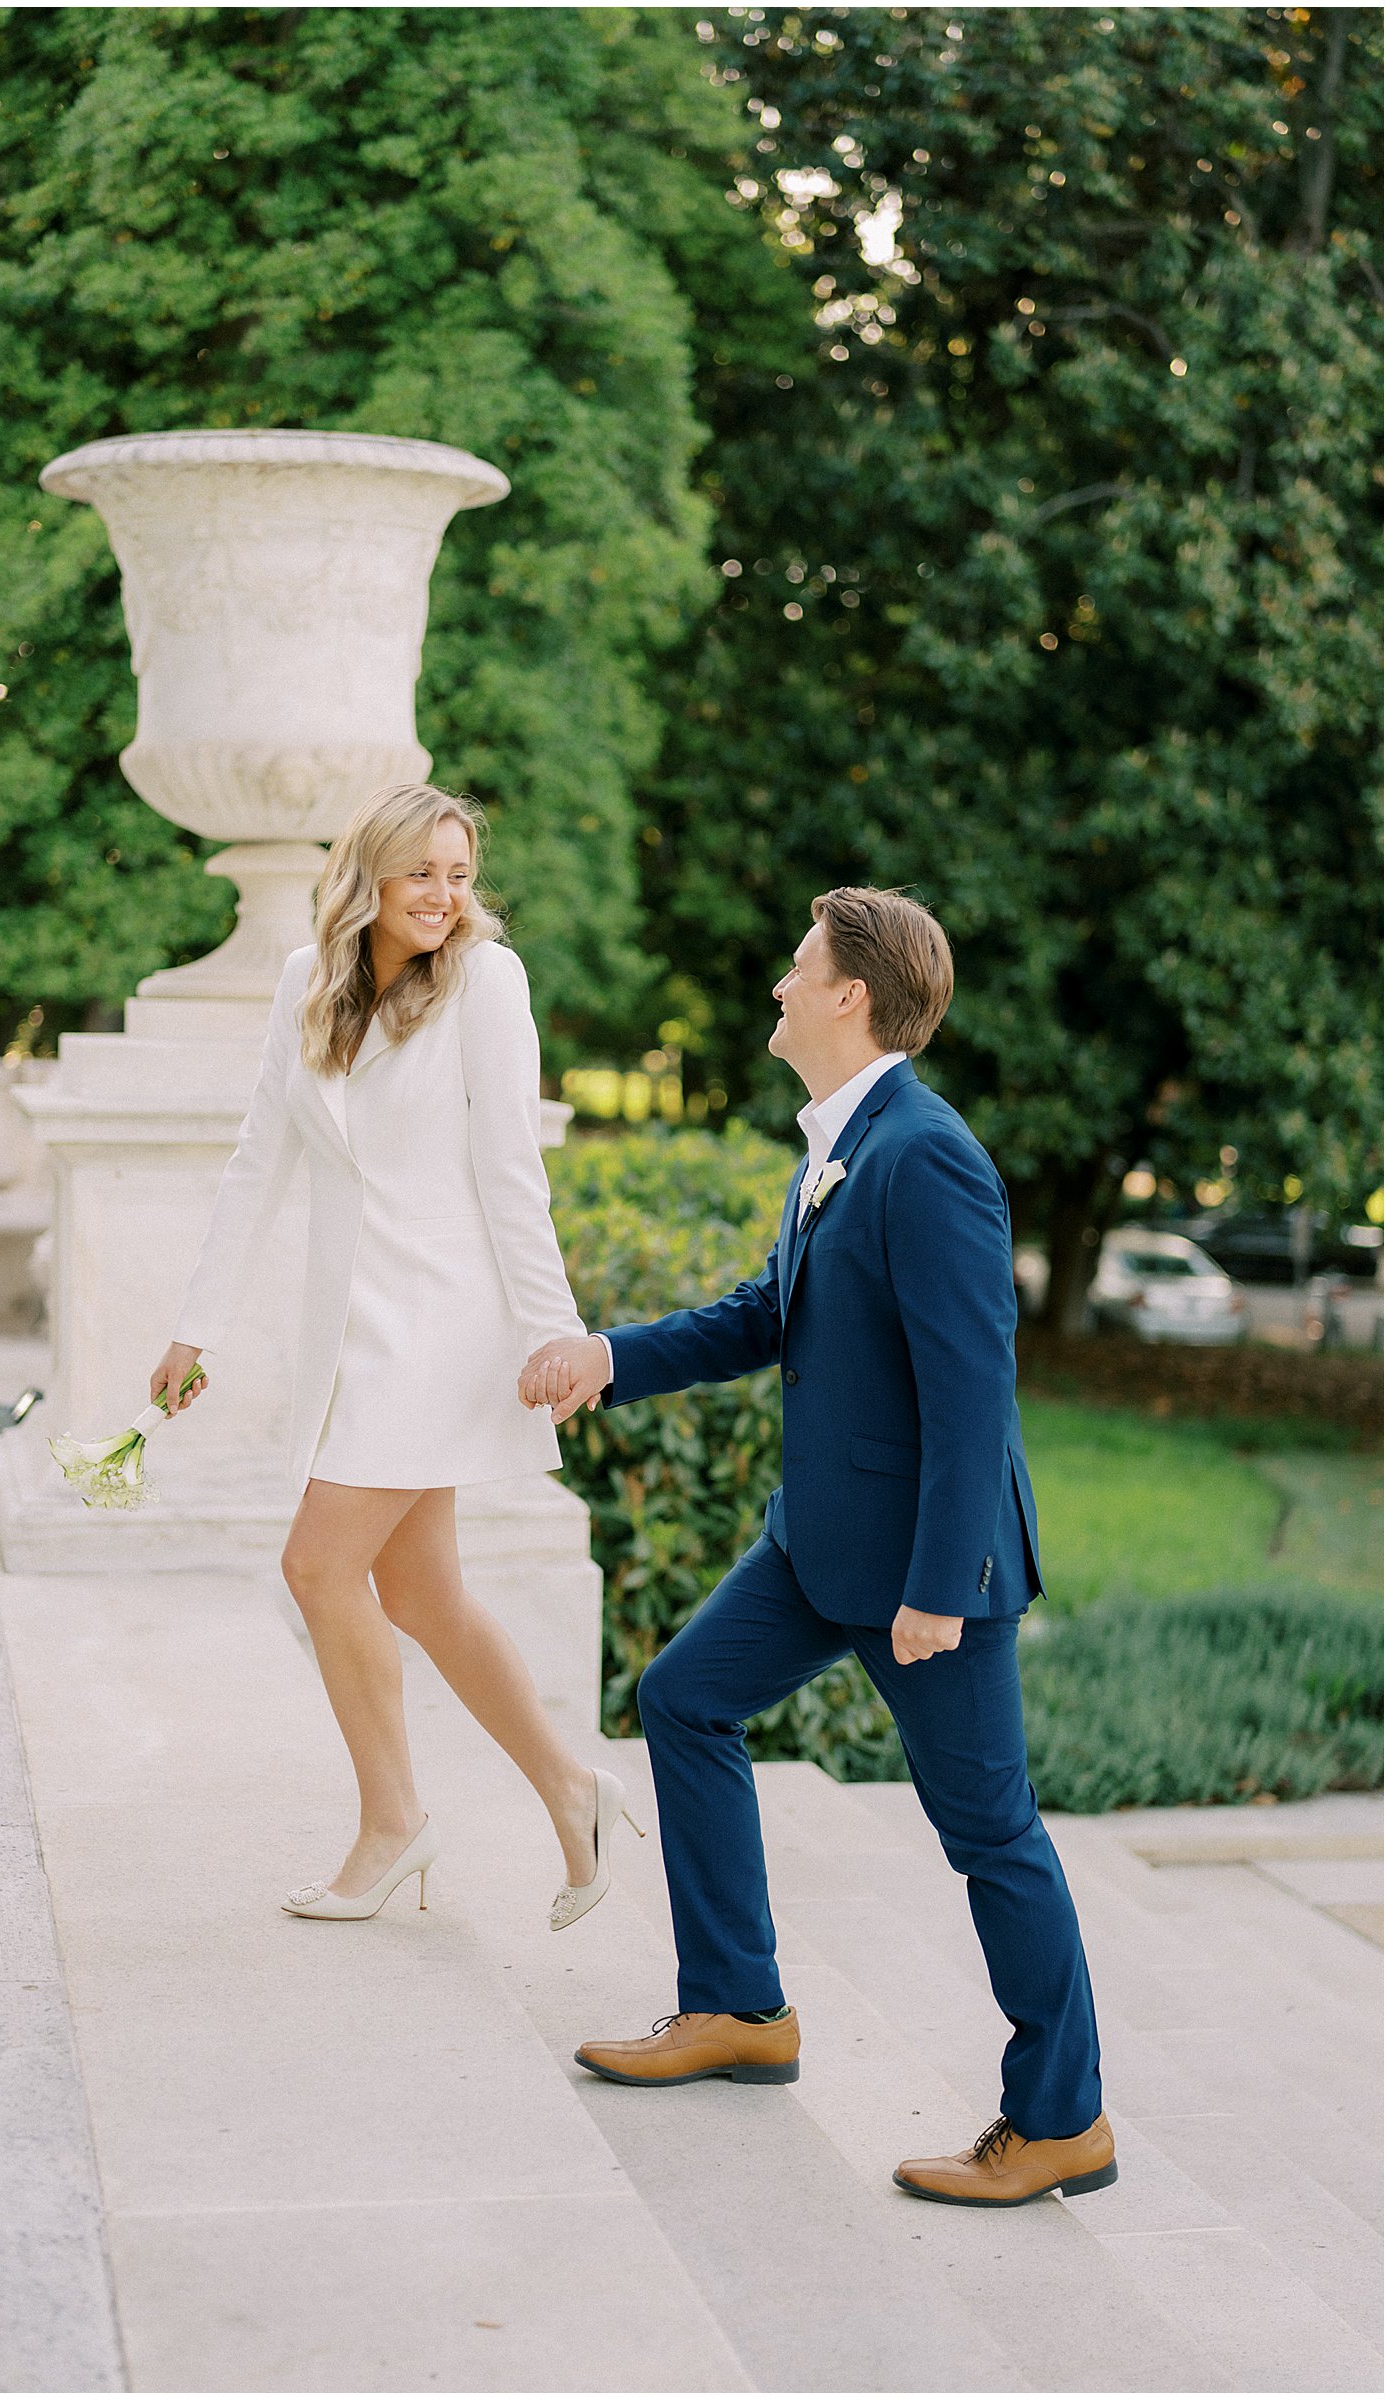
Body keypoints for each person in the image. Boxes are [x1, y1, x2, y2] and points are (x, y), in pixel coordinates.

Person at [520, 886, 1115, 2209]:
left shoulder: (927, 1154)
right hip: (814, 1547)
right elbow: (767, 1317)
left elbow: (975, 1393)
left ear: (849, 995)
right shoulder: (839, 1143)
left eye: (797, 969)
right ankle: (738, 2007)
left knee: (991, 1836)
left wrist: (939, 1589)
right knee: (682, 1698)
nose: (778, 987)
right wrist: (607, 1358)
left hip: (922, 1573)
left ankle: (1062, 2116)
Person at [153, 782, 641, 1929]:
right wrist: (197, 1322)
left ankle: (394, 1822)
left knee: (318, 1569)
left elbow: (511, 1172)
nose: (443, 895)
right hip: (350, 1330)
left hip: (441, 1326)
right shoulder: (304, 983)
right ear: (370, 873)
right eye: (422, 872)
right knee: (421, 1591)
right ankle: (573, 1791)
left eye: (460, 874)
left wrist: (551, 1329)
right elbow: (258, 1157)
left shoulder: (487, 982)